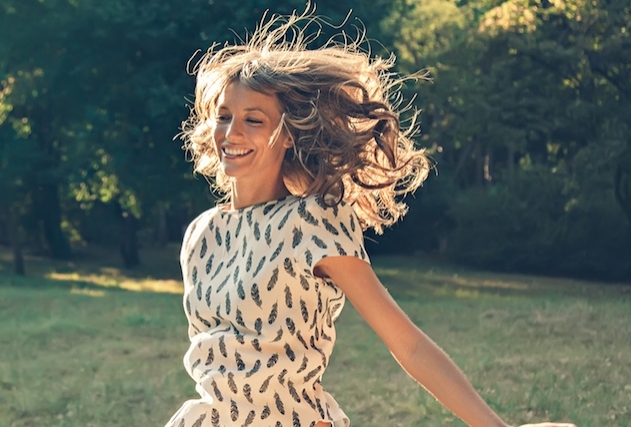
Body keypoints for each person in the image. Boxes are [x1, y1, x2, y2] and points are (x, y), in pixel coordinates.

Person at [165, 12, 577, 427]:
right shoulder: (201, 234)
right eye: (224, 115)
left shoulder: (313, 221)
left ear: (288, 134)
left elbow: (407, 344)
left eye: (253, 119)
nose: (231, 132)